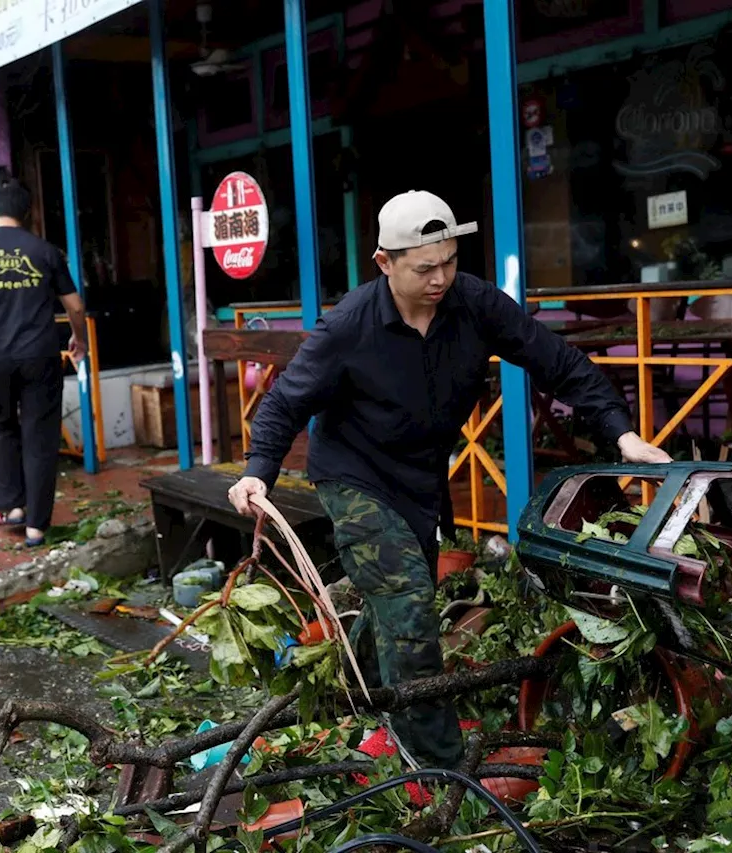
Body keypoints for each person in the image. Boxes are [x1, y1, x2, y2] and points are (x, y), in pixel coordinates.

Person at [227, 190, 671, 769]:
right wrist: (257, 473)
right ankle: (438, 768)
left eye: (450, 261)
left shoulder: (476, 303)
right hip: (355, 475)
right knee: (409, 601)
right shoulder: (349, 327)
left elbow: (557, 362)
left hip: (421, 478)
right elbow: (283, 402)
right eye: (424, 268)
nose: (442, 278)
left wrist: (621, 434)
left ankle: (357, 693)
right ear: (385, 263)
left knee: (399, 600)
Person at [0, 175, 88, 547]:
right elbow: (74, 305)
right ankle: (36, 527)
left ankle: (12, 506)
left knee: (3, 428)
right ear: (28, 212)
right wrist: (79, 338)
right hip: (39, 355)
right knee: (40, 436)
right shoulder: (45, 252)